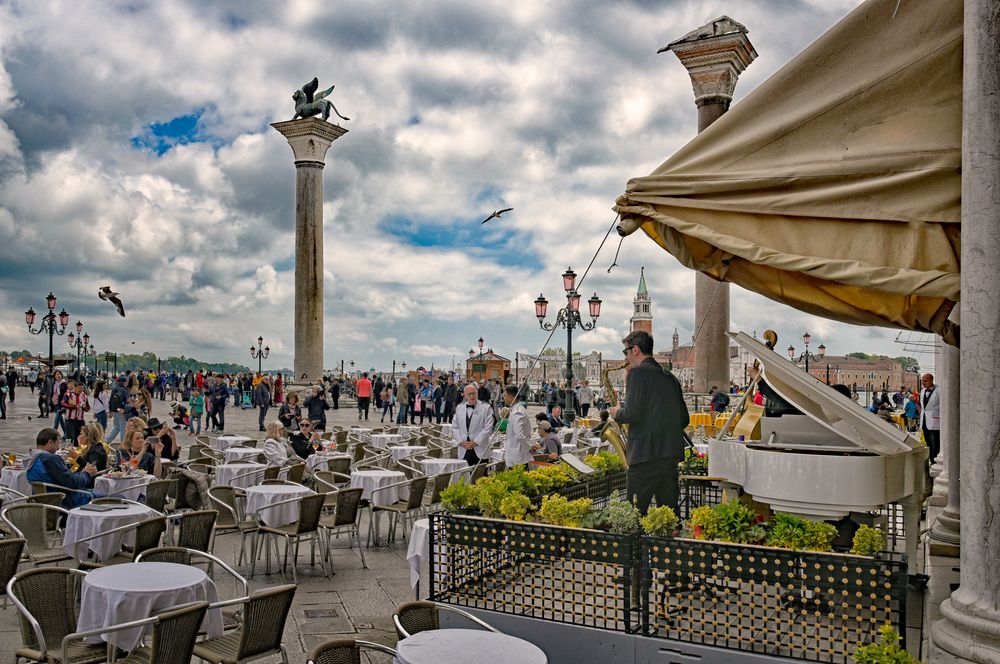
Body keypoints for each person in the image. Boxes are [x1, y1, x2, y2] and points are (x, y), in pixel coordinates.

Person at [609, 331, 690, 515]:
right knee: (668, 515)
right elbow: (684, 419)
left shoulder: (637, 374)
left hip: (644, 456)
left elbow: (632, 413)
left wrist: (616, 412)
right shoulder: (670, 378)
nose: (626, 358)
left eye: (626, 352)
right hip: (669, 456)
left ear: (635, 349)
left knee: (635, 514)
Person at [26, 427, 97, 507]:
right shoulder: (50, 459)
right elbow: (72, 482)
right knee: (104, 495)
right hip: (64, 501)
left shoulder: (32, 458)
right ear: (50, 442)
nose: (58, 447)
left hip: (46, 501)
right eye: (57, 443)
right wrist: (87, 474)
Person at [451, 384, 494, 466]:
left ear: (477, 393)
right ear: (465, 395)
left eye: (474, 393)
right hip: (464, 448)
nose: (472, 396)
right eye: (469, 394)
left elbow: (488, 428)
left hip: (480, 448)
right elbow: (455, 427)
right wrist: (460, 442)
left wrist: (476, 442)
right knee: (465, 476)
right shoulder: (459, 408)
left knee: (481, 476)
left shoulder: (486, 408)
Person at [502, 385, 533, 468]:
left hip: (518, 457)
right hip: (517, 456)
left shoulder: (517, 412)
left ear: (511, 397)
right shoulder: (517, 409)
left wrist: (529, 448)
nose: (503, 397)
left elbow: (520, 435)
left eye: (505, 395)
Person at [919, 373, 941, 462]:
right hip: (924, 420)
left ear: (931, 380)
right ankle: (930, 459)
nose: (923, 383)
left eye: (925, 381)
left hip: (935, 419)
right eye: (922, 381)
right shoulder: (922, 391)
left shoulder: (939, 390)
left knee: (935, 442)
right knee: (928, 442)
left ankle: (935, 460)